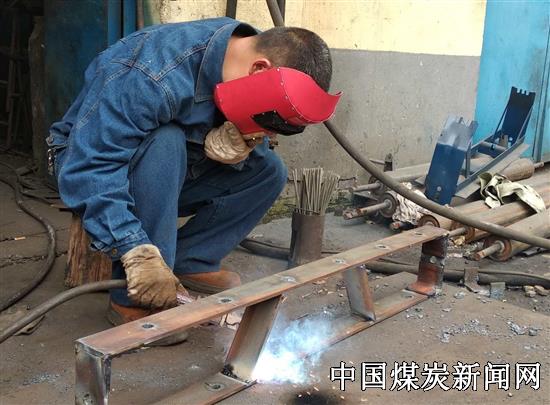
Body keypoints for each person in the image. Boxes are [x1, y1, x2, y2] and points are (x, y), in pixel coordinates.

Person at [47, 17, 337, 332]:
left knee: (268, 171)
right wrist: (133, 250)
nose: (268, 134)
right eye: (269, 123)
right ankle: (135, 298)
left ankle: (191, 260)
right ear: (259, 70)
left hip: (172, 166)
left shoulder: (244, 58)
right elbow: (91, 166)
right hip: (89, 164)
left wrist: (236, 141)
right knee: (167, 142)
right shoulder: (150, 75)